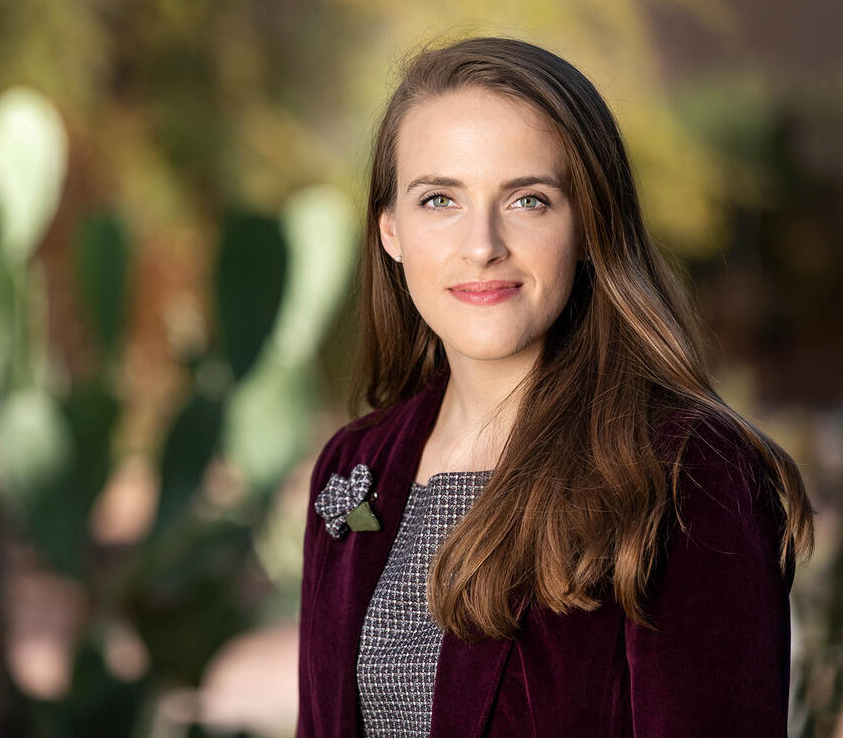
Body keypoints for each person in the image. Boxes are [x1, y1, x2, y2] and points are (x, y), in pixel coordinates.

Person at [295, 36, 816, 737]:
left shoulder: (686, 471)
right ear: (391, 231)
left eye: (529, 200)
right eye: (440, 199)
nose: (482, 245)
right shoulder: (353, 464)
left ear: (589, 226)